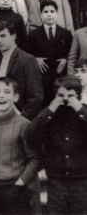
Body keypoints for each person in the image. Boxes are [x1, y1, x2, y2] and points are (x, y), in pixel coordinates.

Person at [0, 77, 40, 215]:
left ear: (15, 97)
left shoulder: (24, 124)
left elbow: (34, 158)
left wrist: (21, 182)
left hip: (15, 187)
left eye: (7, 92)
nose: (1, 95)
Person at [25, 76, 87, 214]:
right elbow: (29, 135)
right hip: (56, 181)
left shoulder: (84, 112)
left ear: (78, 96)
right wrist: (49, 111)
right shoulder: (49, 115)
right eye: (61, 95)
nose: (65, 99)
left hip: (82, 181)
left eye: (70, 96)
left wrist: (81, 110)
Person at [0, 21, 43, 120]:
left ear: (13, 36)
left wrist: (22, 118)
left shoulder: (27, 59)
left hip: (21, 119)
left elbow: (36, 96)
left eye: (3, 36)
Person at [26, 0, 72, 105]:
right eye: (46, 12)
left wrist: (65, 59)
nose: (49, 14)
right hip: (42, 77)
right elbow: (27, 52)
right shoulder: (34, 34)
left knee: (61, 103)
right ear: (41, 15)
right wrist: (35, 59)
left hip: (60, 75)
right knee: (45, 103)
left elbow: (72, 52)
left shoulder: (65, 33)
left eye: (52, 11)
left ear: (56, 14)